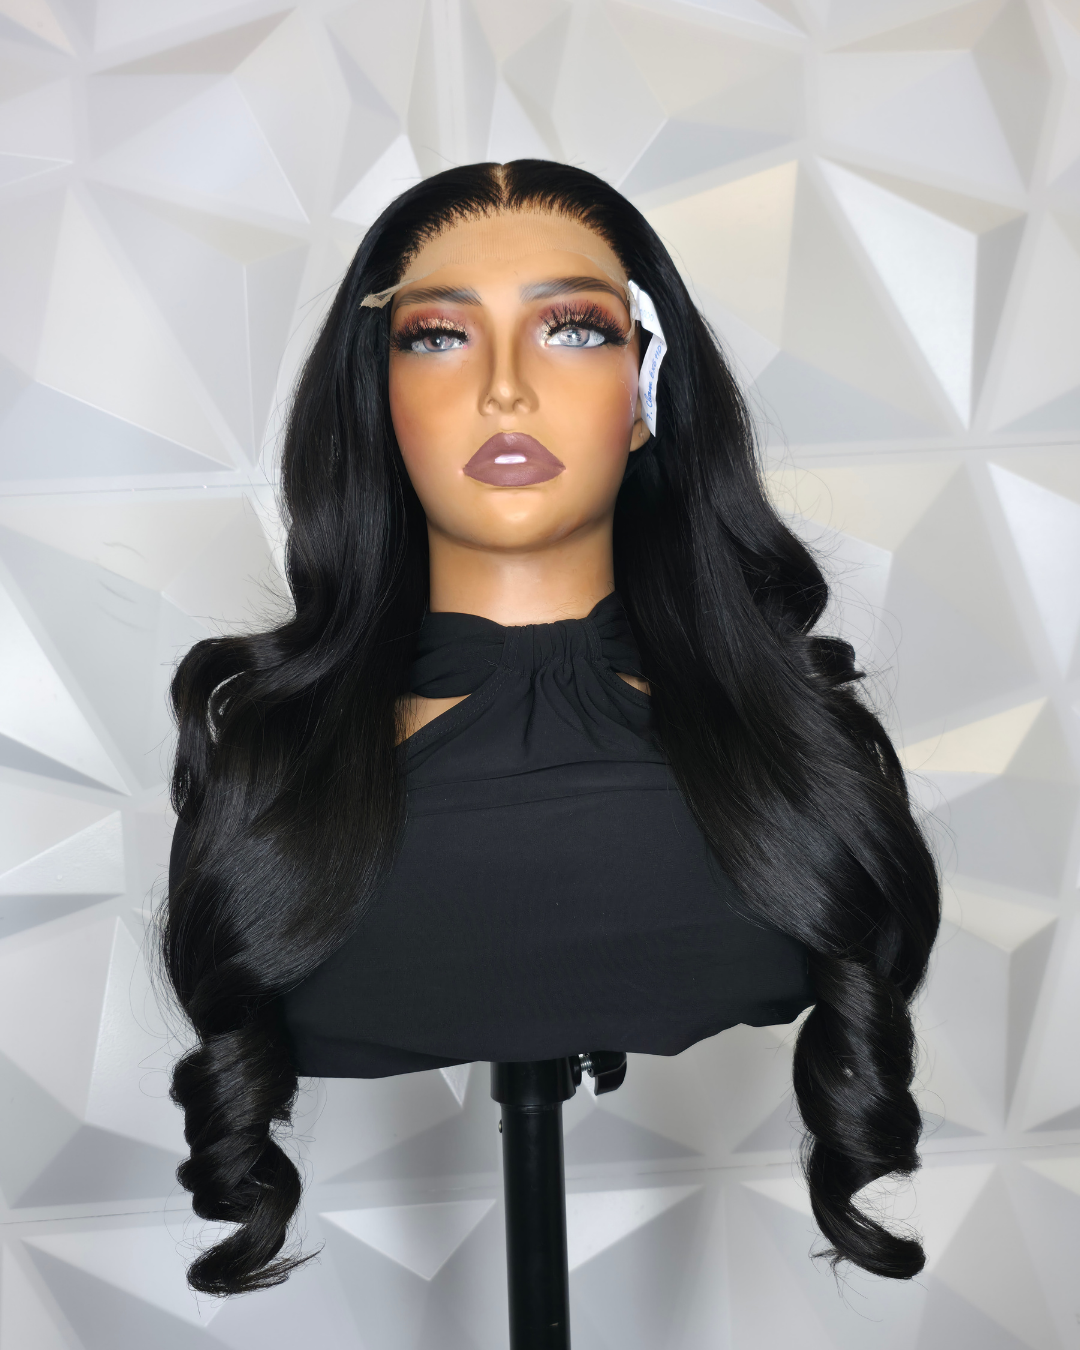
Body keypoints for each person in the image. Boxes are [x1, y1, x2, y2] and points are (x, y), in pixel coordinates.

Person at [163, 160, 940, 1298]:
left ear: (649, 387)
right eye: (439, 337)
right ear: (376, 396)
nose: (505, 391)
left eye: (573, 330)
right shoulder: (275, 785)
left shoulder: (788, 769)